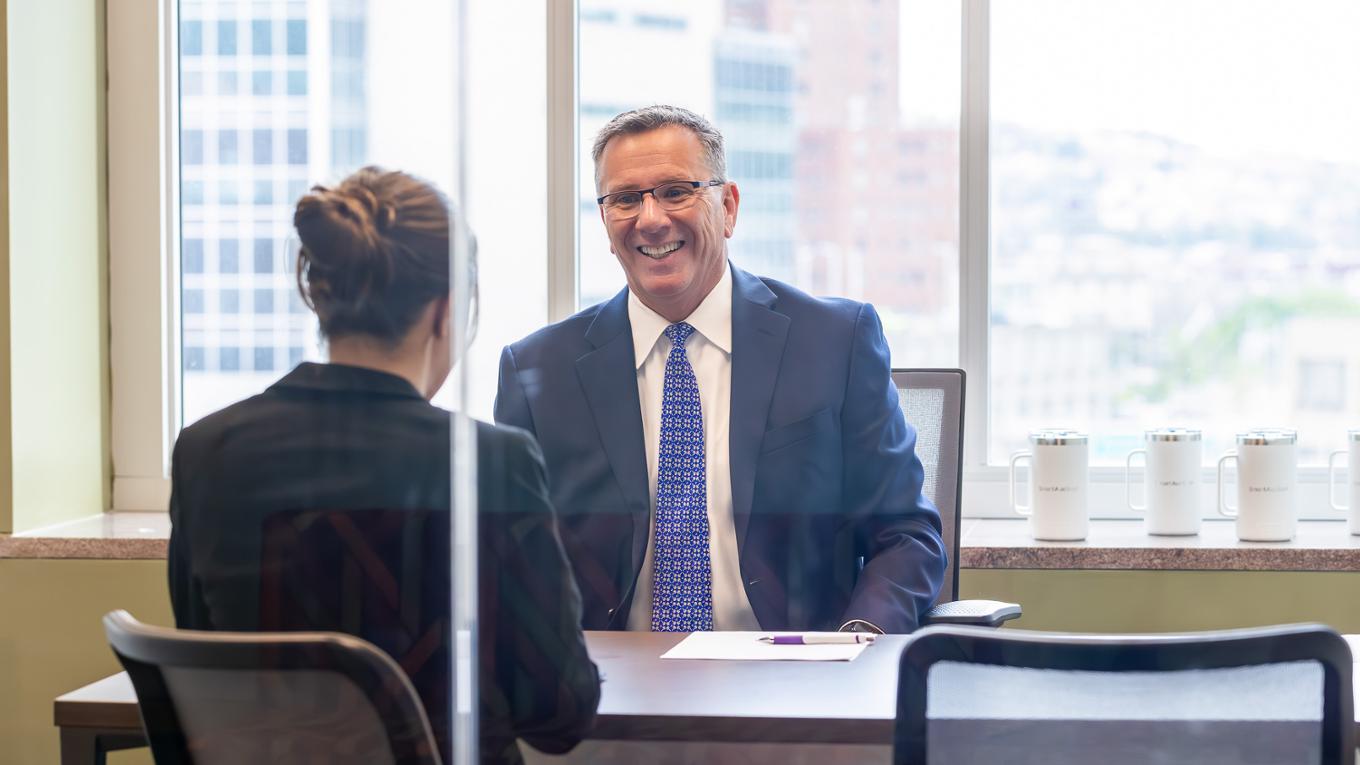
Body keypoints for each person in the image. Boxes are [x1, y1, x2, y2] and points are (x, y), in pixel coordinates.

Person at [168, 167, 600, 764]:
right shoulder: (489, 462)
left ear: (319, 297)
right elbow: (558, 715)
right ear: (446, 312)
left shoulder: (206, 451)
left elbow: (207, 665)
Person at [495, 106, 946, 635]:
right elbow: (511, 563)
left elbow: (906, 532)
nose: (651, 219)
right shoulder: (538, 371)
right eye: (625, 198)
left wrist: (857, 643)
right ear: (604, 220)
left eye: (675, 191)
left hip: (795, 676)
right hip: (609, 688)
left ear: (728, 207)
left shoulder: (833, 341)